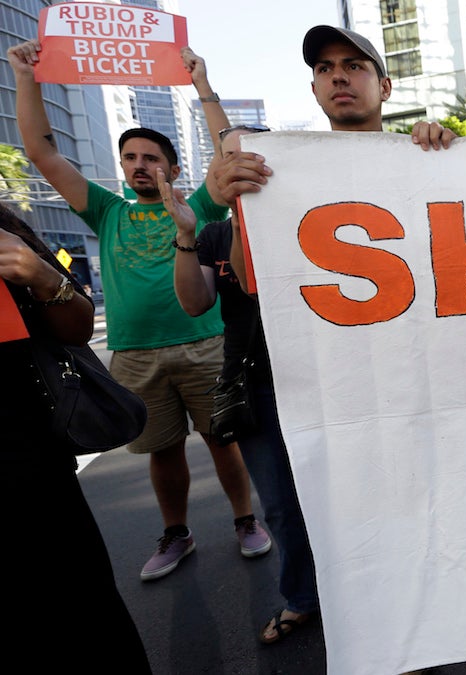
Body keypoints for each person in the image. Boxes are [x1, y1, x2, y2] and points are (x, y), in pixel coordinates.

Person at [209, 25, 466, 672]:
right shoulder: (275, 172)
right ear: (313, 87)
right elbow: (252, 282)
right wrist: (238, 206)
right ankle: (403, 638)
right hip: (348, 387)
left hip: (441, 372)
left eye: (355, 65)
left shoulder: (428, 152)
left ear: (383, 86)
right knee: (380, 517)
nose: (339, 76)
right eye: (326, 67)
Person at [7, 41, 271, 581]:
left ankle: (245, 519)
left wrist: (201, 83)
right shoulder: (106, 211)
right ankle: (177, 532)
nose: (139, 165)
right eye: (130, 158)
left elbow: (229, 158)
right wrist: (26, 77)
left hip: (204, 345)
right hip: (133, 355)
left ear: (172, 167)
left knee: (225, 442)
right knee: (161, 450)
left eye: (151, 158)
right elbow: (41, 151)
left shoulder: (196, 205)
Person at [168, 115, 322, 645]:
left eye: (252, 153)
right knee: (279, 502)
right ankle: (302, 597)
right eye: (228, 157)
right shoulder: (213, 234)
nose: (242, 165)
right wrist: (187, 236)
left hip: (325, 379)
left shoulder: (316, 218)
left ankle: (358, 588)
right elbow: (195, 303)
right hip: (256, 385)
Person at [0, 203, 152, 671]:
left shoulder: (7, 231)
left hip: (34, 478)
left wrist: (42, 276)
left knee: (87, 625)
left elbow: (77, 326)